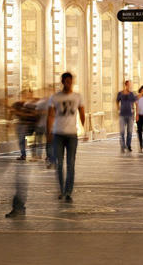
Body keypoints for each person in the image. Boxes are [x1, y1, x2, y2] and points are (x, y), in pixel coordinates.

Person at [47, 72, 85, 202]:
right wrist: (49, 133)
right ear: (62, 82)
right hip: (58, 133)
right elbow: (50, 115)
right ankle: (61, 190)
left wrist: (82, 128)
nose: (69, 84)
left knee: (71, 164)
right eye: (66, 81)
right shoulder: (55, 97)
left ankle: (68, 191)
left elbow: (82, 113)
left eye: (71, 81)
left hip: (72, 134)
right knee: (59, 164)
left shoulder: (77, 97)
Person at [11, 89, 38, 161]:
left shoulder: (29, 104)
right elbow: (11, 112)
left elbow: (33, 114)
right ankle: (23, 155)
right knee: (21, 140)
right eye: (22, 95)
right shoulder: (17, 104)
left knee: (31, 141)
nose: (24, 96)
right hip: (20, 124)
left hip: (27, 124)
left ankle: (33, 155)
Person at [116, 80, 137, 153]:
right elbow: (117, 101)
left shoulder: (132, 94)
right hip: (122, 115)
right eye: (129, 85)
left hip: (130, 115)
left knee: (130, 131)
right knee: (122, 131)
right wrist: (118, 109)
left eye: (131, 85)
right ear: (126, 85)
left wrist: (136, 112)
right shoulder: (120, 93)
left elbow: (136, 103)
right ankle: (122, 145)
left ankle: (128, 145)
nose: (130, 86)